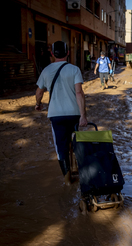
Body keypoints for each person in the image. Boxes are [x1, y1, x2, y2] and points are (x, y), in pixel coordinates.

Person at [35, 41, 88, 186]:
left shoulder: (46, 71)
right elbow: (79, 93)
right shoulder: (74, 69)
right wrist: (83, 115)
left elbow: (39, 92)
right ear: (68, 53)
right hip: (74, 114)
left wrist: (38, 104)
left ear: (52, 54)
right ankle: (79, 170)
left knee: (61, 146)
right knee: (76, 142)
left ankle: (68, 181)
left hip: (56, 115)